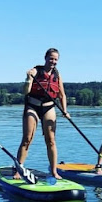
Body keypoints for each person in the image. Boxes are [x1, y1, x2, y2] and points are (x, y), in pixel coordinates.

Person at [15, 48, 69, 180]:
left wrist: (65, 111)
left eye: (56, 59)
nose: (53, 61)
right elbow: (26, 91)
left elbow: (62, 95)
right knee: (27, 139)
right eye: (51, 58)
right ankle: (18, 170)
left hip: (49, 107)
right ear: (45, 58)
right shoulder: (35, 71)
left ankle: (54, 171)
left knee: (51, 140)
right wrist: (29, 78)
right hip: (33, 106)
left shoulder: (57, 75)